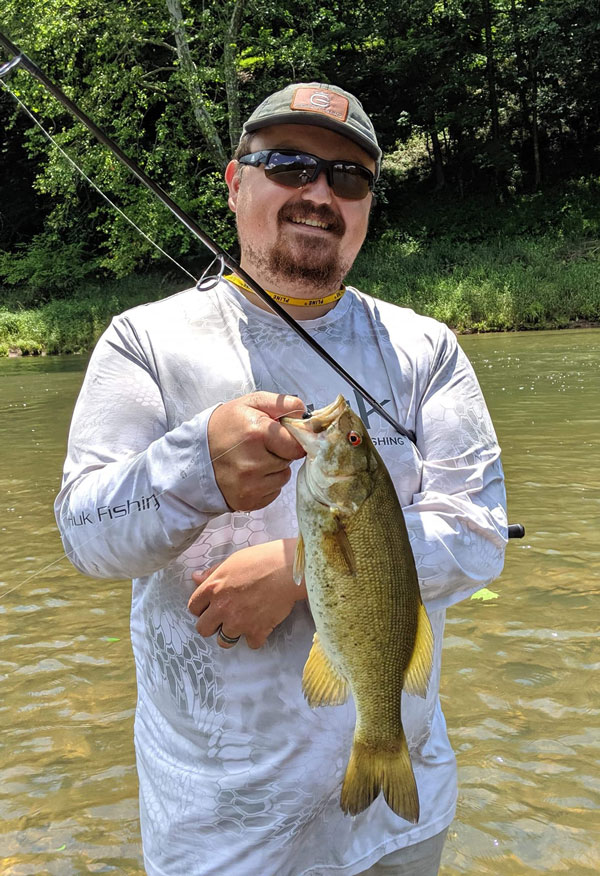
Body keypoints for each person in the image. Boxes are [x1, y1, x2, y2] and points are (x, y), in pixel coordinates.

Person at [55, 82, 508, 875]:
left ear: (367, 204)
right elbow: (84, 534)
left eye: (349, 176)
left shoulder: (426, 350)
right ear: (236, 184)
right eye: (290, 164)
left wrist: (300, 566)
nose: (319, 192)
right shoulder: (143, 343)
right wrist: (195, 466)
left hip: (399, 814)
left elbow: (479, 536)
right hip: (223, 832)